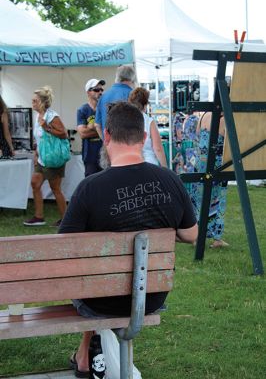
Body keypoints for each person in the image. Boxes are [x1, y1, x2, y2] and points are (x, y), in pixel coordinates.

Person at [58, 101, 198, 377]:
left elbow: (63, 250)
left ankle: (88, 353)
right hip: (150, 296)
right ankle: (87, 353)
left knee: (91, 276)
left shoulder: (89, 188)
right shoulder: (170, 180)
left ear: (106, 136)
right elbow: (191, 234)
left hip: (102, 300)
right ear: (144, 138)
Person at [23, 86, 68, 227]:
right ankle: (39, 217)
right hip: (42, 158)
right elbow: (39, 139)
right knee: (35, 183)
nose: (32, 103)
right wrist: (36, 153)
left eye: (35, 101)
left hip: (53, 158)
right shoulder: (38, 116)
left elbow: (64, 134)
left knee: (56, 189)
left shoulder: (52, 116)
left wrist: (46, 127)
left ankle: (66, 220)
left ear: (42, 102)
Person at [195, 111, 229, 248]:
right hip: (217, 164)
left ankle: (196, 236)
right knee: (218, 199)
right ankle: (217, 239)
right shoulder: (224, 119)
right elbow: (228, 142)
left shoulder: (204, 115)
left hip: (201, 161)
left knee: (200, 199)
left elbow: (198, 134)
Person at [128, 87, 167, 167]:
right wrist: (165, 168)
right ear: (145, 105)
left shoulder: (124, 120)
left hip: (130, 163)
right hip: (149, 164)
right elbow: (158, 148)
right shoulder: (149, 121)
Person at [95, 65, 136, 139]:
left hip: (109, 146)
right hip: (128, 145)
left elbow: (97, 125)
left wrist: (106, 142)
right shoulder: (134, 96)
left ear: (117, 77)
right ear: (132, 78)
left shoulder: (103, 96)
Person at [77, 78, 105, 176]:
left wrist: (91, 127)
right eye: (96, 90)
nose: (100, 92)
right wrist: (101, 128)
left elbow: (112, 130)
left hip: (106, 155)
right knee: (91, 187)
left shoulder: (106, 108)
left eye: (101, 90)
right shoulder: (83, 110)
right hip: (90, 157)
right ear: (88, 92)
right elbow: (82, 133)